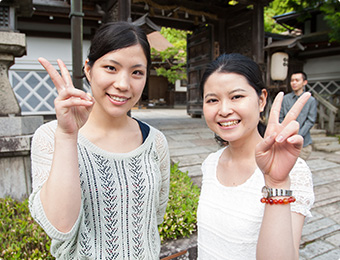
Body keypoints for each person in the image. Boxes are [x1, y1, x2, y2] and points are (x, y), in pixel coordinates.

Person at [29, 21, 170, 259]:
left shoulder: (155, 142)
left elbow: (154, 219)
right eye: (111, 68)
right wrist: (67, 136)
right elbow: (60, 226)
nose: (123, 85)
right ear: (88, 69)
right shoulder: (51, 137)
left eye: (137, 72)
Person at [197, 53, 314, 260]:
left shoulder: (293, 171)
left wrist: (276, 182)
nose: (224, 110)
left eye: (236, 97)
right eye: (213, 100)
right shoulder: (210, 163)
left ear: (261, 101)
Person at [279, 71, 317, 160]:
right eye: (292, 80)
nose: (294, 83)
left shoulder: (311, 100)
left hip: (304, 143)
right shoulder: (285, 99)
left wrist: (298, 135)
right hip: (286, 141)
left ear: (304, 82)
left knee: (300, 170)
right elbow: (280, 118)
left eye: (297, 80)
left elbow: (310, 121)